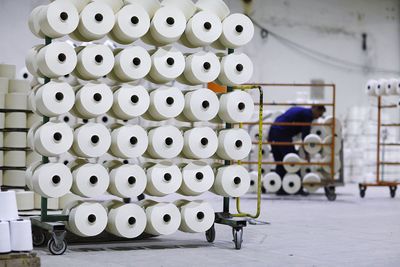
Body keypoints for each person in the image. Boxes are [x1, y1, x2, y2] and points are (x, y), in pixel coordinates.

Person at [268, 105, 326, 194]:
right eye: (319, 114)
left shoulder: (300, 109)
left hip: (273, 131)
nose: (318, 117)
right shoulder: (308, 115)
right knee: (293, 161)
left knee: (280, 162)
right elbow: (305, 138)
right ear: (315, 109)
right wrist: (307, 153)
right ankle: (298, 188)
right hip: (282, 133)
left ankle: (280, 189)